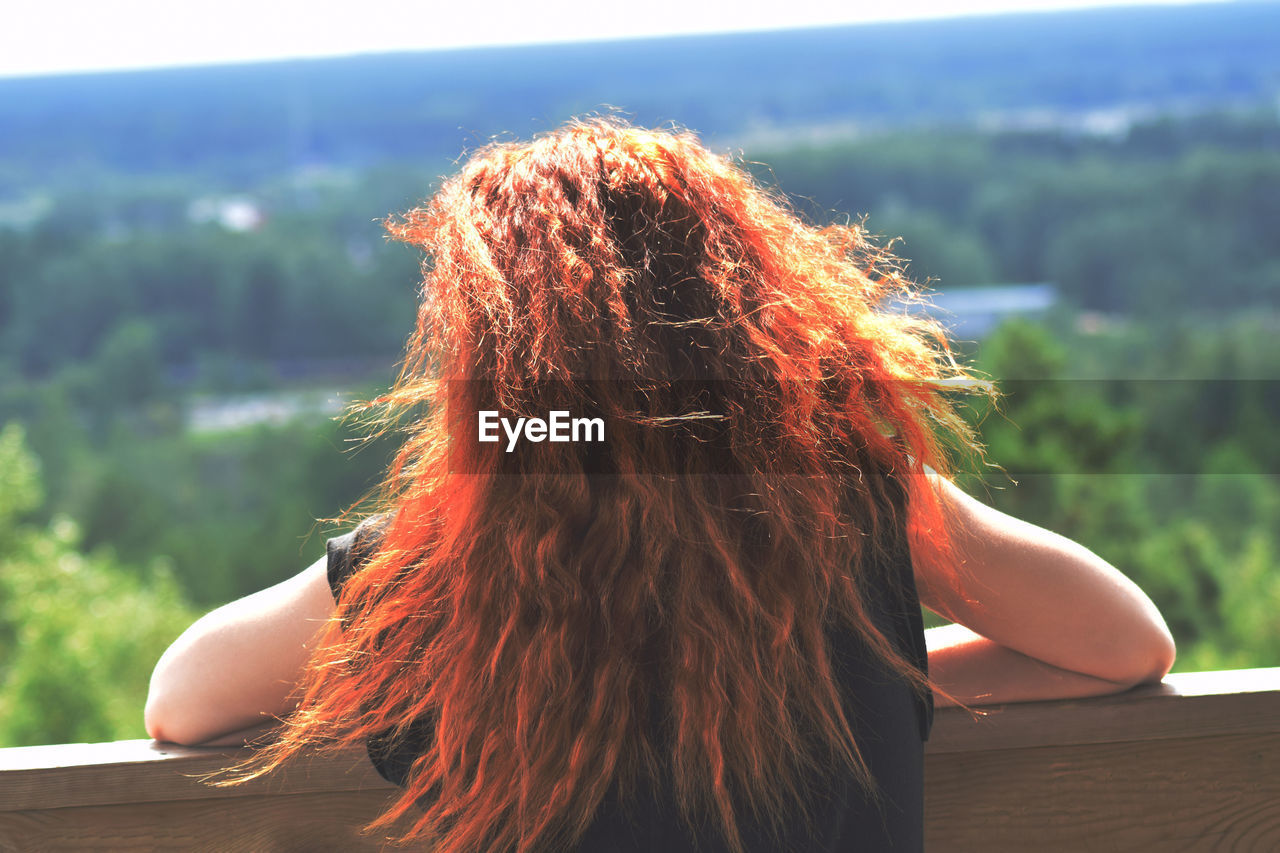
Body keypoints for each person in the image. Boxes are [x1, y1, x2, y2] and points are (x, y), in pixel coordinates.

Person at [145, 118, 1176, 853]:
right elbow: (1119, 644)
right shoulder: (839, 499)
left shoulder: (436, 571)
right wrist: (854, 664)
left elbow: (184, 700)